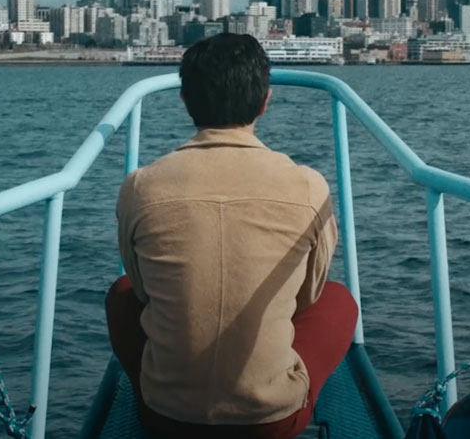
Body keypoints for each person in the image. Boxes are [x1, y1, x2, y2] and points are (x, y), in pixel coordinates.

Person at [107, 33, 358, 438]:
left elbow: (139, 289)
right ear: (265, 101)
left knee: (119, 294)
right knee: (338, 300)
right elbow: (308, 296)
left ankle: (152, 389)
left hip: (166, 417)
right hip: (270, 423)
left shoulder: (142, 186)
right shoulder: (308, 187)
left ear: (185, 101)